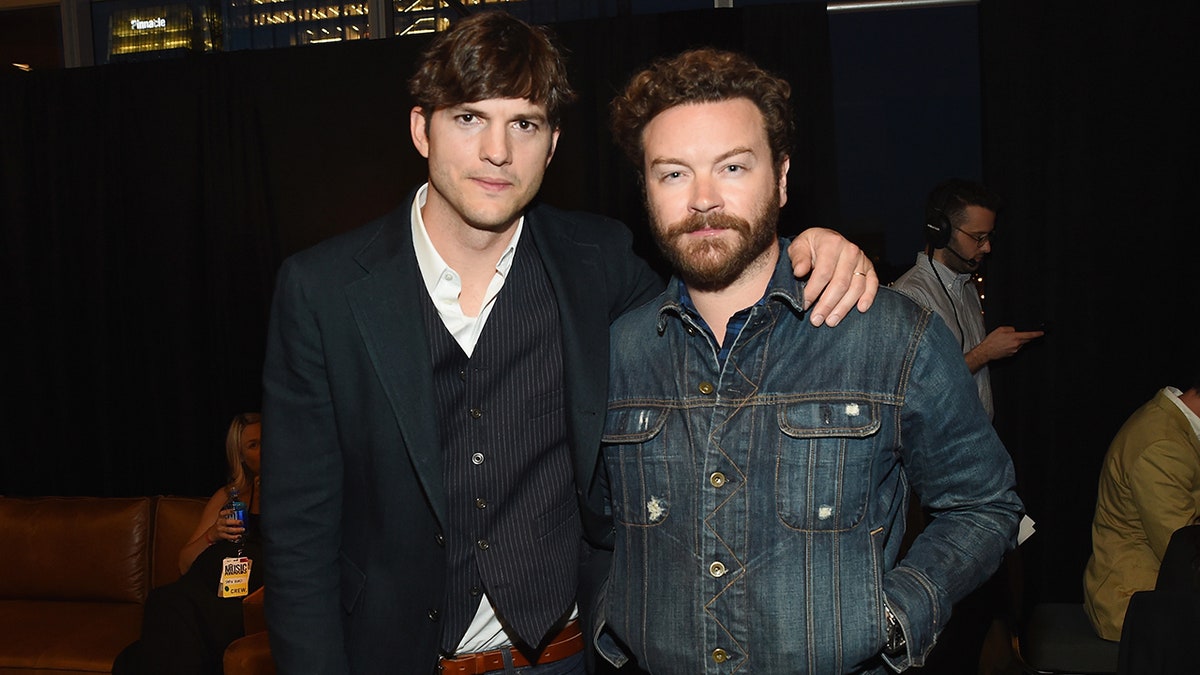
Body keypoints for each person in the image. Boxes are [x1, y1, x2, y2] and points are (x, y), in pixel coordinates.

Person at [259, 10, 879, 675]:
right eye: (470, 118)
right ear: (421, 128)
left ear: (551, 145)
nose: (498, 151)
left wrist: (802, 251)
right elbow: (298, 538)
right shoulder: (321, 290)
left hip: (569, 658)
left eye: (524, 124)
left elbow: (713, 312)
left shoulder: (598, 260)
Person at [594, 48, 1023, 674]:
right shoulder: (618, 351)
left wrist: (896, 614)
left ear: (783, 177)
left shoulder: (889, 335)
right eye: (673, 174)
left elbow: (986, 505)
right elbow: (592, 523)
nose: (704, 199)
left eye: (733, 166)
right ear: (646, 191)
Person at [113, 412, 265, 675]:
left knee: (138, 659)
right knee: (165, 600)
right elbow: (184, 562)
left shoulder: (293, 493)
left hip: (243, 597)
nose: (265, 450)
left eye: (268, 441)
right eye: (253, 445)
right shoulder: (228, 496)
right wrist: (213, 535)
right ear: (240, 456)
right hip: (204, 587)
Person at [890, 178, 1044, 421]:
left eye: (989, 236)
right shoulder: (909, 296)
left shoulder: (968, 286)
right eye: (978, 237)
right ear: (940, 232)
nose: (987, 248)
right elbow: (911, 390)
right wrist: (985, 353)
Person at [1083, 369, 1200, 640]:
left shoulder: (1179, 427)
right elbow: (1184, 556)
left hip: (1168, 594)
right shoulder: (1162, 446)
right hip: (1137, 604)